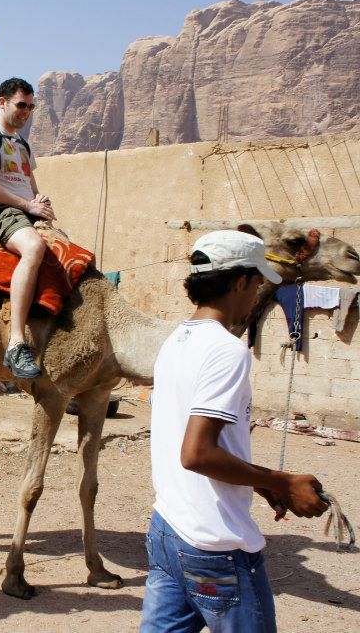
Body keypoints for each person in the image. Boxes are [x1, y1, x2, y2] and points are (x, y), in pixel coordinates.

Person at [140, 230, 329, 633]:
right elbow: (196, 454)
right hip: (215, 551)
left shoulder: (176, 340)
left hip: (168, 533)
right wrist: (283, 480)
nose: (257, 291)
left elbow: (194, 440)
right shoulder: (227, 350)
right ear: (240, 282)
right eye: (257, 282)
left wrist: (258, 484)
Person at [0, 77, 55, 379]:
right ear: (2, 102)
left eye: (30, 107)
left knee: (70, 259)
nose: (26, 112)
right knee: (33, 248)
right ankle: (16, 342)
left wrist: (40, 204)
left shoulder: (23, 145)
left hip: (23, 210)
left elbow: (31, 188)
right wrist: (26, 205)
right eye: (21, 105)